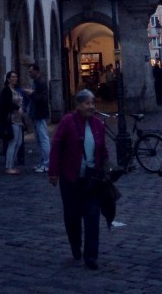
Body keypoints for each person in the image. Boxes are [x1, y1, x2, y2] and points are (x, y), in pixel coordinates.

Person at [48, 89, 108, 270]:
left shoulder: (98, 124)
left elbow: (102, 149)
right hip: (70, 177)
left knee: (92, 216)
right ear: (79, 105)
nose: (91, 107)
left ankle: (91, 256)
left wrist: (106, 169)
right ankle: (75, 245)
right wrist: (53, 172)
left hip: (92, 178)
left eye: (92, 103)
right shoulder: (68, 121)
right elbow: (57, 146)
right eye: (87, 103)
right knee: (72, 216)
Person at [0, 70, 25, 175]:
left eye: (16, 76)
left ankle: (12, 164)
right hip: (11, 119)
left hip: (19, 119)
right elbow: (7, 103)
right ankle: (8, 166)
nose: (15, 78)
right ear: (8, 79)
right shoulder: (7, 90)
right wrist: (17, 108)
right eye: (13, 77)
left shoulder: (16, 90)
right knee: (12, 142)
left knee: (19, 142)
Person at [27, 62, 51, 172]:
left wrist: (32, 93)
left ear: (36, 71)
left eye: (31, 71)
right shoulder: (37, 81)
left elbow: (43, 98)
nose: (29, 73)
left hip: (40, 114)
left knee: (43, 138)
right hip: (37, 114)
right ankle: (43, 161)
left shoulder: (40, 82)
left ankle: (47, 163)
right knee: (39, 139)